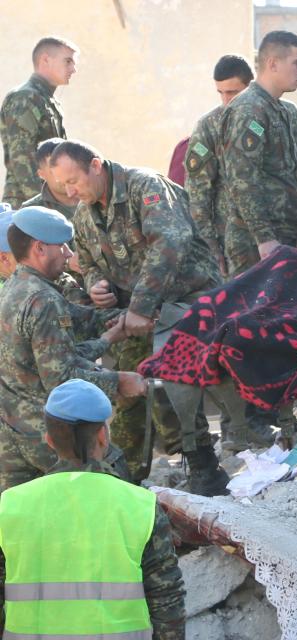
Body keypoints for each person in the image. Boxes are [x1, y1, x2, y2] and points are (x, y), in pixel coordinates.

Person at [48, 140, 229, 493]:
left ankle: (204, 463)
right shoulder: (85, 215)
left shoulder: (145, 186)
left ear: (96, 166)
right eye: (63, 186)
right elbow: (86, 262)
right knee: (128, 385)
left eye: (74, 181)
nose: (71, 191)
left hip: (189, 298)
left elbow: (170, 243)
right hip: (139, 313)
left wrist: (140, 306)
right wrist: (95, 283)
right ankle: (126, 475)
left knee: (175, 375)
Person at [0, 379, 185, 636]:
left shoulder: (8, 506)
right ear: (102, 436)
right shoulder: (140, 505)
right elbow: (167, 600)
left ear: (49, 440)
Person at [0, 207, 143, 493]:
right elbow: (60, 377)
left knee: (21, 519)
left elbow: (62, 341)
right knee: (114, 480)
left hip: (10, 433)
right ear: (40, 248)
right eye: (62, 245)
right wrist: (120, 382)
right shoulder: (43, 299)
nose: (68, 253)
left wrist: (114, 332)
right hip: (47, 432)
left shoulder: (14, 287)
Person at [219, 31, 297, 276]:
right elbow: (243, 179)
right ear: (273, 64)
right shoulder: (248, 110)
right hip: (254, 244)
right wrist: (264, 238)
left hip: (287, 238)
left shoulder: (290, 113)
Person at [183, 54, 254, 274]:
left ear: (250, 87)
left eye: (232, 93)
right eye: (220, 93)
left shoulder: (272, 118)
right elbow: (197, 193)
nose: (226, 100)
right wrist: (210, 246)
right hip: (231, 244)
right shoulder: (209, 127)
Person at [0, 37, 75, 208]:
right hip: (27, 207)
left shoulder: (45, 99)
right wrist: (43, 207)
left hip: (48, 202)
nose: (73, 69)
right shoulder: (25, 98)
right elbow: (22, 160)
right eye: (68, 61)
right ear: (45, 60)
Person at [20, 137, 78, 220]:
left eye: (68, 165)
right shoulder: (31, 211)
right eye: (55, 170)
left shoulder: (93, 196)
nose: (65, 174)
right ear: (42, 174)